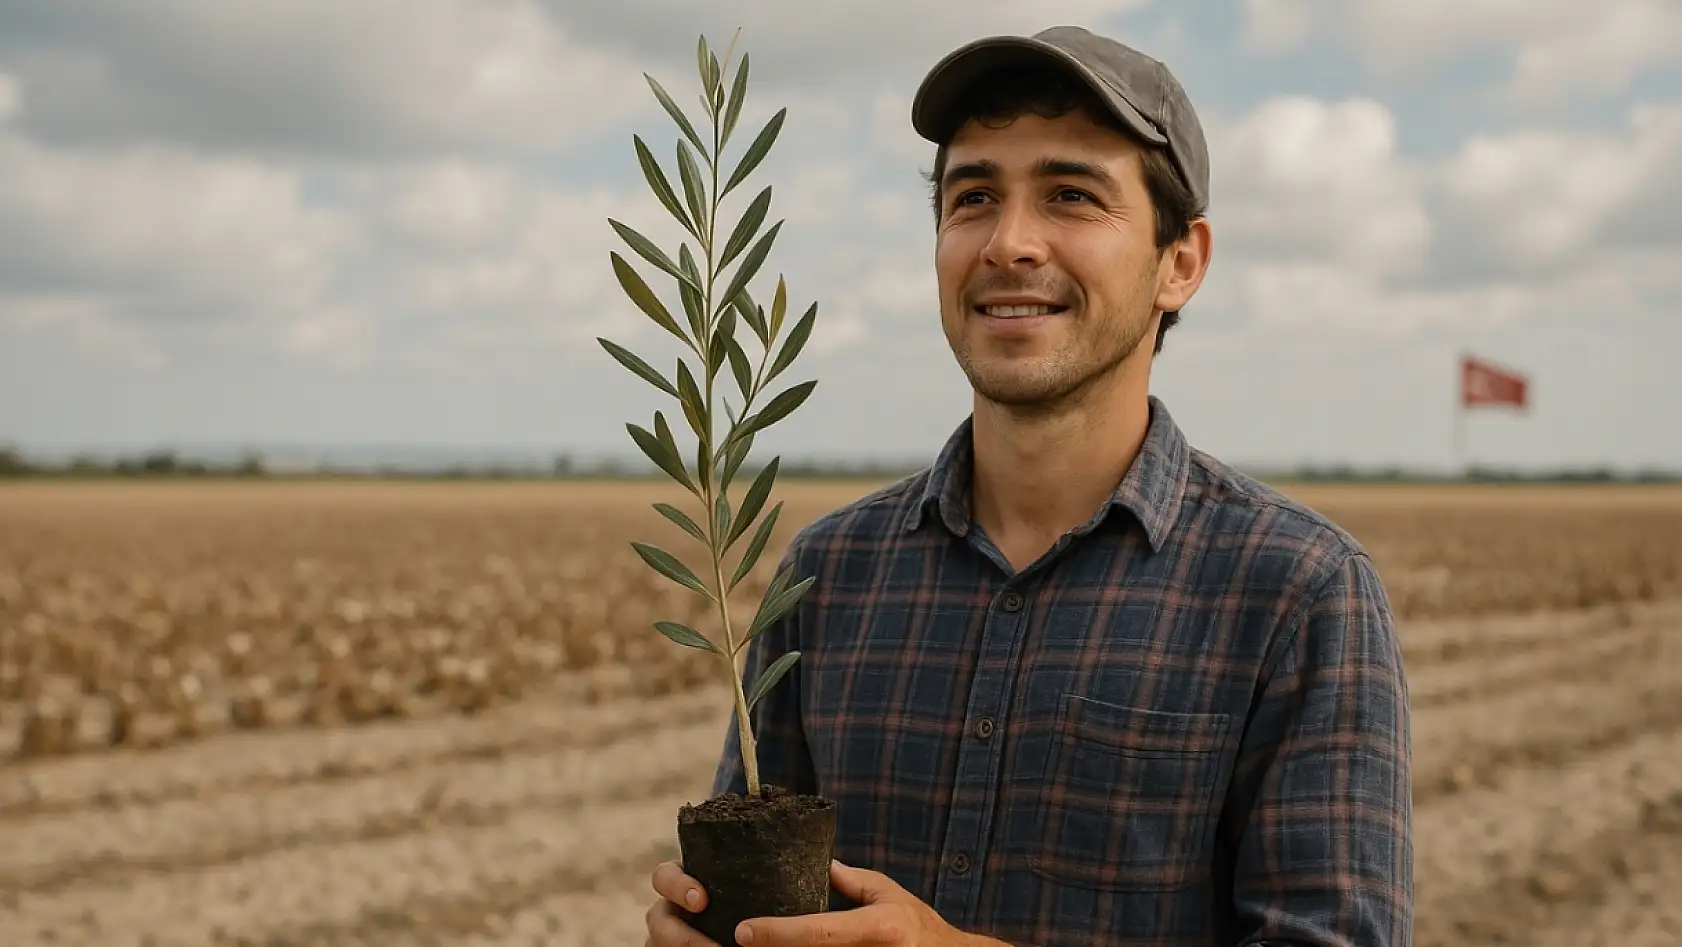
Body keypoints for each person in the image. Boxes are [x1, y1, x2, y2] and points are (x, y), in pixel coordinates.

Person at [644, 24, 1412, 947]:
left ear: (1182, 262)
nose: (1009, 242)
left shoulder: (1298, 593)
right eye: (973, 197)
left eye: (1071, 196)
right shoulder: (828, 575)